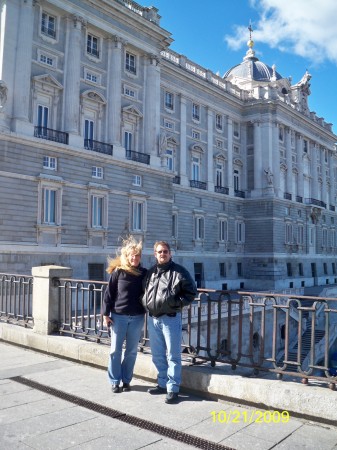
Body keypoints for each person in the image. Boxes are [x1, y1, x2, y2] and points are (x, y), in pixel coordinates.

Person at [142, 241, 197, 404]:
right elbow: (145, 290)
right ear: (155, 254)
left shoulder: (180, 272)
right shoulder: (151, 272)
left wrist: (175, 304)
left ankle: (173, 389)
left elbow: (191, 292)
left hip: (170, 318)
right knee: (157, 355)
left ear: (170, 253)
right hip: (153, 318)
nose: (162, 254)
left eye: (165, 251)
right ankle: (162, 383)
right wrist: (145, 301)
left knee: (173, 355)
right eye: (159, 252)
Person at [103, 236, 147, 393]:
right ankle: (115, 381)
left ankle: (126, 380)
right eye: (132, 255)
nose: (135, 258)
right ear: (127, 257)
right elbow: (109, 294)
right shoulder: (118, 272)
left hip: (137, 317)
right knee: (115, 350)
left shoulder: (144, 273)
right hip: (118, 317)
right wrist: (105, 314)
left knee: (131, 351)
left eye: (137, 255)